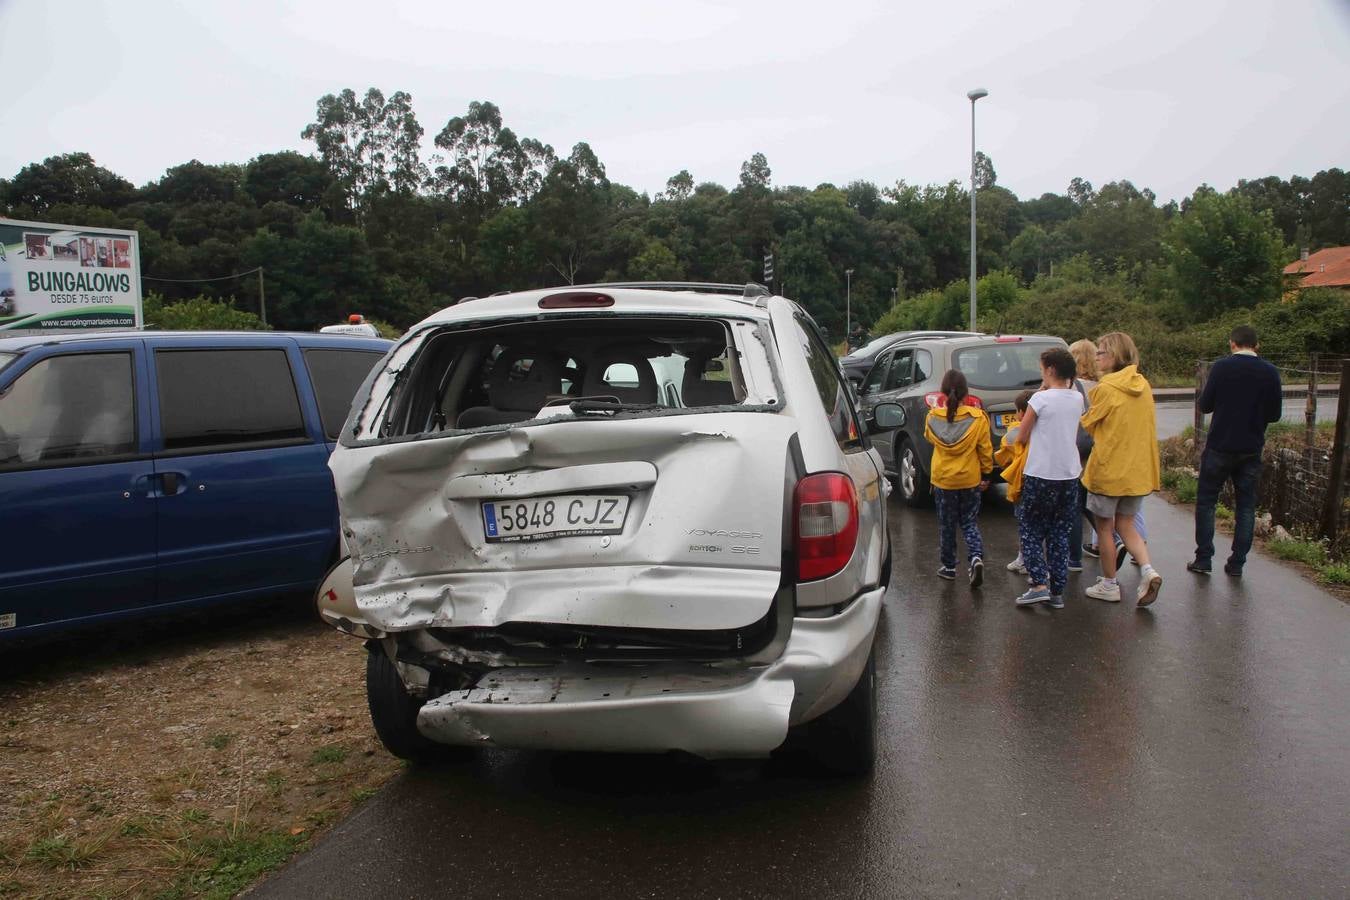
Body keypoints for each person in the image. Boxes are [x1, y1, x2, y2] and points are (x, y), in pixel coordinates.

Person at [1188, 325, 1283, 577]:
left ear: (1232, 344)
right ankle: (1237, 563)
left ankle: (1204, 558)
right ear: (1257, 345)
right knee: (1246, 507)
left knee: (1207, 501)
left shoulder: (1221, 367)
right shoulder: (1271, 372)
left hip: (1220, 444)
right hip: (1251, 446)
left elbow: (1205, 405)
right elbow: (1275, 414)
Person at [1080, 332, 1163, 606]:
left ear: (1114, 356)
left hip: (1109, 469)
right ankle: (1148, 570)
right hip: (1136, 470)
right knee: (1127, 524)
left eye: (1101, 352)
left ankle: (1109, 583)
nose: (1097, 357)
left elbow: (1089, 423)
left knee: (1105, 528)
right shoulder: (1143, 384)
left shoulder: (1106, 388)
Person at [1012, 349, 1085, 609]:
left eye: (1042, 369)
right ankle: (1056, 591)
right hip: (1069, 473)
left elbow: (1021, 435)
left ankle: (1038, 584)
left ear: (1050, 370)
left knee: (1030, 527)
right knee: (1059, 532)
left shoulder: (1039, 400)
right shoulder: (1077, 399)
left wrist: (1042, 390)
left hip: (1041, 472)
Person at [924, 369, 994, 587]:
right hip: (969, 479)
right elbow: (985, 450)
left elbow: (929, 438)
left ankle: (949, 566)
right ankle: (975, 557)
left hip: (944, 480)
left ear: (943, 392)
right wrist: (986, 473)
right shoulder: (978, 419)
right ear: (966, 392)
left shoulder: (932, 418)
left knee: (947, 524)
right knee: (969, 522)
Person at [995, 390, 1033, 575]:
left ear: (1021, 413)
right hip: (1039, 482)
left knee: (1024, 525)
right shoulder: (1042, 431)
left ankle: (1024, 559)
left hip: (1020, 484)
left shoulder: (1012, 434)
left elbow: (1002, 457)